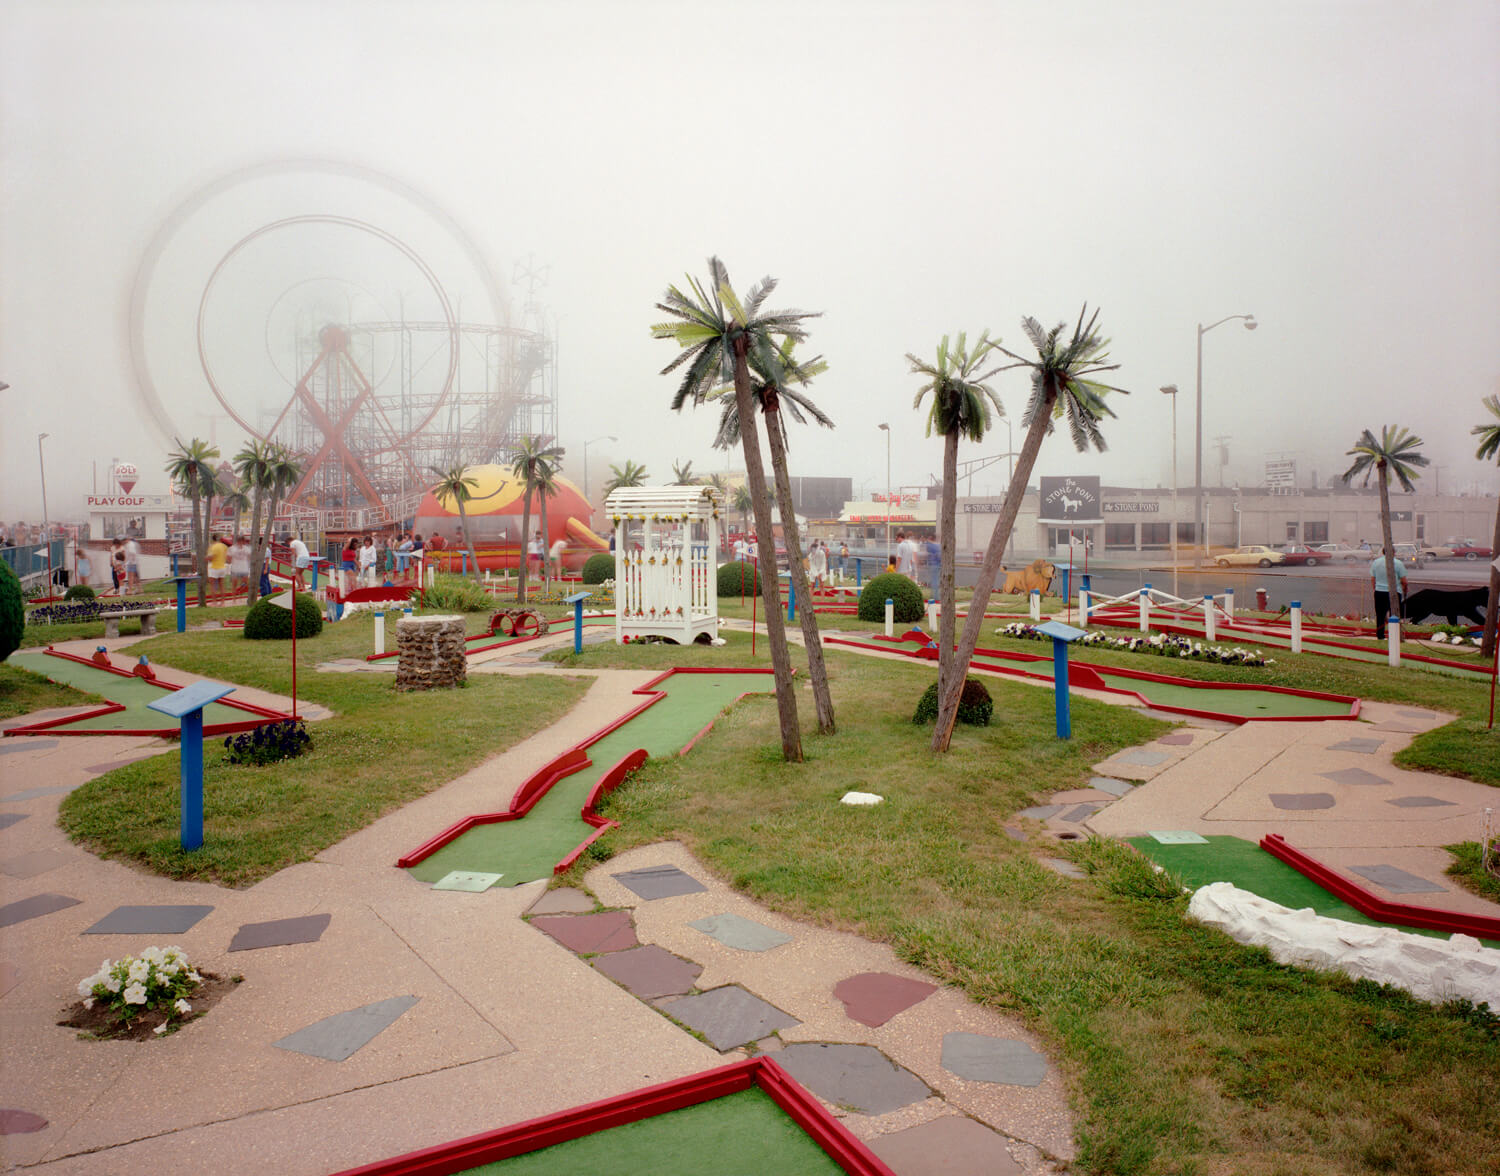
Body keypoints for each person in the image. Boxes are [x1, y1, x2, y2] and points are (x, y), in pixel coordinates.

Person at [1369, 548, 1407, 640]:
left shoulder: (1376, 563)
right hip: (1394, 593)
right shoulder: (1398, 563)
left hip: (1379, 592)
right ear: (1393, 553)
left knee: (1380, 615)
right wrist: (1405, 590)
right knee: (1394, 615)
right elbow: (1404, 581)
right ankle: (1394, 636)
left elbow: (1373, 578)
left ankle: (1380, 635)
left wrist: (1375, 588)